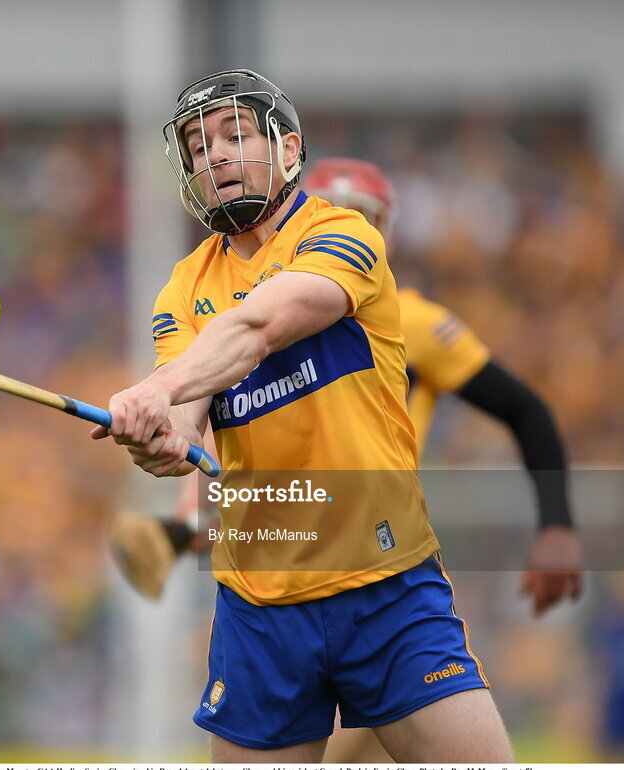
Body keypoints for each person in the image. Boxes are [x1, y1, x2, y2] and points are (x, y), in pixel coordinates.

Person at [95, 69, 513, 762]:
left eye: (234, 136)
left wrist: (158, 389)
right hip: (260, 605)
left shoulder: (342, 234)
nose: (215, 156)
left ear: (289, 150)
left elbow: (263, 325)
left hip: (387, 586)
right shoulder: (181, 288)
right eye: (198, 147)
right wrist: (159, 433)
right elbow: (189, 418)